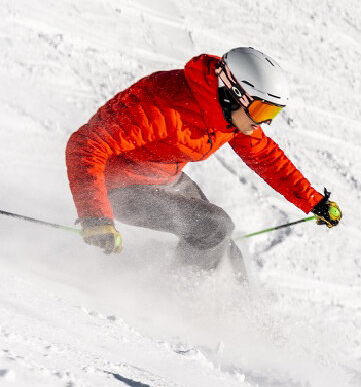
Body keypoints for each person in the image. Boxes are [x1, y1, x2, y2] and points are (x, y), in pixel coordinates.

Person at [65, 47, 341, 274]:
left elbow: (266, 157)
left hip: (164, 181)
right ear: (234, 92)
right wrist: (95, 216)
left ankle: (241, 314)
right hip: (118, 190)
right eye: (261, 109)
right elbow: (86, 145)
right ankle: (180, 298)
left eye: (273, 112)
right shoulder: (163, 104)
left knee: (222, 242)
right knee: (214, 226)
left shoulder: (229, 117)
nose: (265, 120)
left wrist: (314, 202)